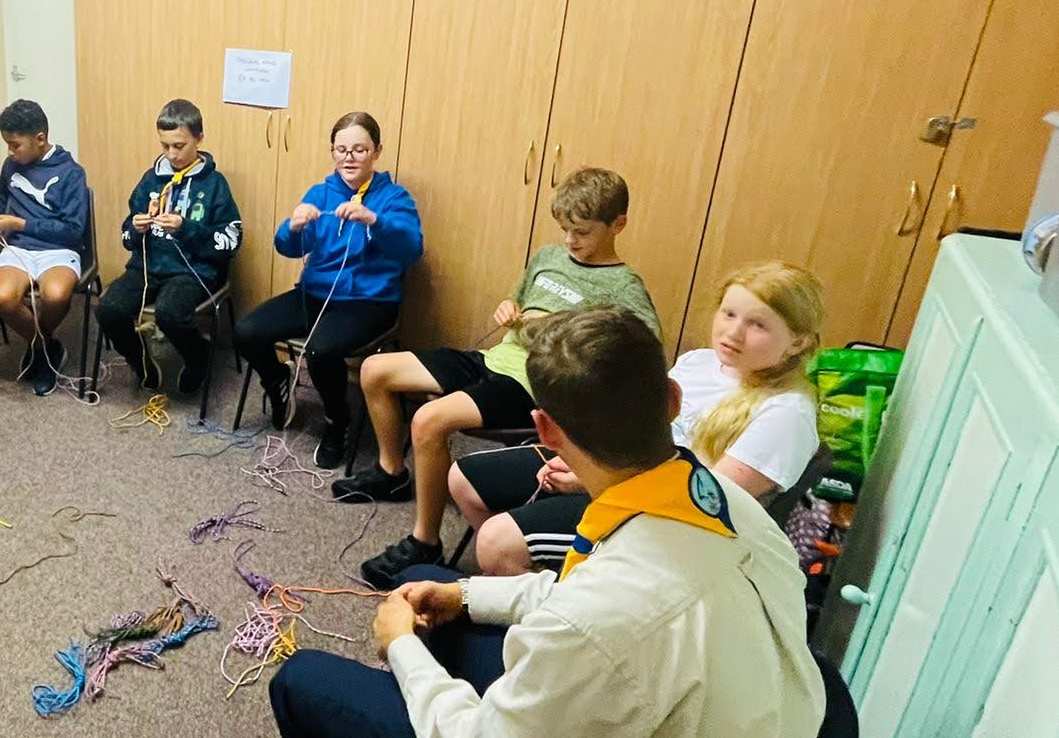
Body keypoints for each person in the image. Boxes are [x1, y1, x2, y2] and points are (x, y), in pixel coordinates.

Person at [269, 306, 825, 738]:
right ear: (673, 400)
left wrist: (401, 649)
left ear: (546, 430)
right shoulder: (730, 502)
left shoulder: (595, 623)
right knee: (429, 585)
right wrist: (467, 595)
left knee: (302, 683)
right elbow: (593, 590)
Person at [347, 168, 662, 588]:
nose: (571, 240)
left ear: (617, 225)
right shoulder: (548, 258)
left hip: (534, 383)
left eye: (583, 232)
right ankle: (391, 473)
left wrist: (562, 327)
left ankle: (425, 541)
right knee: (375, 370)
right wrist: (508, 307)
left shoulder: (624, 287)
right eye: (565, 230)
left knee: (428, 420)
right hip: (493, 358)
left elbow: (643, 355)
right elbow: (517, 298)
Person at [451, 260, 823, 576]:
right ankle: (557, 579)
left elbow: (705, 501)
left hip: (663, 521)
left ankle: (571, 606)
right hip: (619, 471)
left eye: (758, 325)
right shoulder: (699, 362)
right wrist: (584, 458)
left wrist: (591, 477)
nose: (734, 332)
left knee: (496, 542)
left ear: (798, 342)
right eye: (729, 314)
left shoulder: (787, 414)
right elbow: (632, 426)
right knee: (464, 480)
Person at [233, 112, 422, 463]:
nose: (349, 158)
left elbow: (412, 250)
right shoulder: (320, 194)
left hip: (369, 302)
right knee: (246, 331)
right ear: (332, 152)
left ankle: (337, 421)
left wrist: (375, 221)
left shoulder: (394, 198)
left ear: (377, 151)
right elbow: (288, 247)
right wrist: (292, 227)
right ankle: (277, 381)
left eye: (359, 150)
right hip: (315, 294)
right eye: (341, 150)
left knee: (320, 351)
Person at [96, 99, 243, 394]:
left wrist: (185, 229)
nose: (172, 154)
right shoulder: (150, 180)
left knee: (170, 313)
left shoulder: (215, 184)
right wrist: (135, 229)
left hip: (194, 272)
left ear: (199, 139)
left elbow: (231, 241)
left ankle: (198, 358)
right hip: (147, 267)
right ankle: (141, 361)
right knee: (108, 309)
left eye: (179, 145)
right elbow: (127, 237)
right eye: (165, 146)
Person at [0, 100, 91, 397]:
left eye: (15, 145)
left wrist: (20, 223)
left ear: (40, 139)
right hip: (19, 248)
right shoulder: (12, 167)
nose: (10, 152)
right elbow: (3, 200)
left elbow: (73, 231)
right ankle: (46, 347)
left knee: (56, 295)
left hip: (58, 248)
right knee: (2, 297)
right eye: (8, 146)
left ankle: (39, 348)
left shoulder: (71, 173)